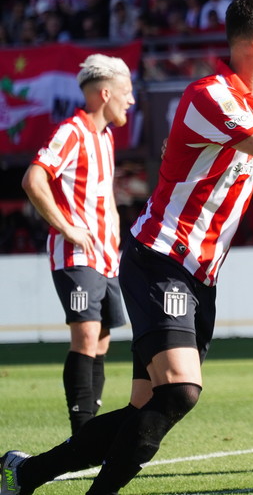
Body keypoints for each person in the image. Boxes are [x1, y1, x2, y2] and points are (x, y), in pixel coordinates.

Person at [1, 0, 253, 495]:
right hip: (161, 259)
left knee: (148, 408)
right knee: (180, 391)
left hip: (200, 277)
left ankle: (24, 473)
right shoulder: (212, 96)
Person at [21, 54, 136, 434]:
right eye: (126, 92)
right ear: (105, 94)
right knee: (85, 336)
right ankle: (82, 434)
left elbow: (104, 198)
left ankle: (88, 434)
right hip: (76, 255)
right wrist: (67, 228)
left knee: (101, 341)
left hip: (106, 257)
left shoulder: (105, 137)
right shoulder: (71, 131)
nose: (131, 100)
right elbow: (33, 180)